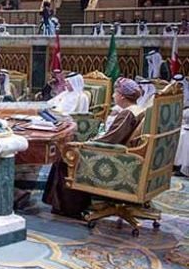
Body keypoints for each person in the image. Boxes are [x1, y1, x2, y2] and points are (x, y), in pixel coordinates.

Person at [43, 77, 143, 218]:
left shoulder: (127, 113)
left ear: (121, 96)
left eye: (115, 93)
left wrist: (85, 144)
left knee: (65, 158)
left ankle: (68, 208)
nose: (113, 96)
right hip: (118, 153)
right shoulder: (137, 109)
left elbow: (110, 140)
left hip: (110, 156)